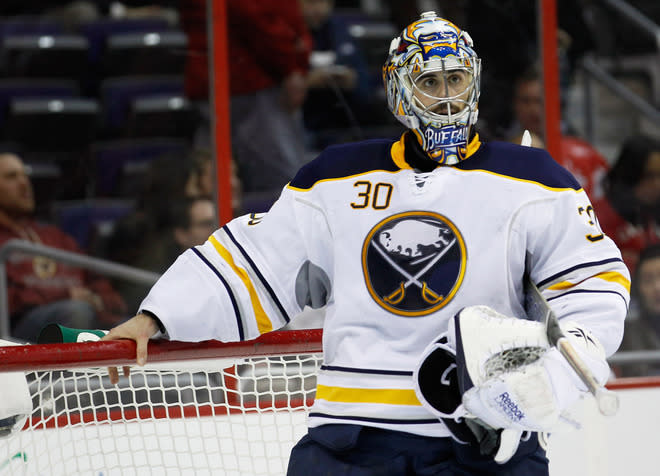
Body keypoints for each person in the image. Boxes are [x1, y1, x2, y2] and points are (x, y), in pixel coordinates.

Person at [102, 13, 630, 475]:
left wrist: (569, 360)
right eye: (429, 82)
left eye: (456, 79)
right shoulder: (335, 178)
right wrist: (156, 317)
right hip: (354, 441)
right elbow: (255, 260)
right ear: (400, 90)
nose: (446, 97)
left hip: (482, 439)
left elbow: (593, 282)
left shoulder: (534, 179)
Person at [0, 152, 127, 342]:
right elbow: (10, 302)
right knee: (76, 311)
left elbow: (98, 282)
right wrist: (65, 295)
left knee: (133, 326)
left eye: (25, 176)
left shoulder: (55, 236)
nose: (24, 183)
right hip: (21, 327)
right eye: (11, 177)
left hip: (84, 312)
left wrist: (98, 299)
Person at [506, 66, 610, 201]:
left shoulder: (583, 153)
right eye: (526, 101)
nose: (532, 109)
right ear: (515, 104)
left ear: (553, 103)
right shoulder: (501, 151)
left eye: (539, 101)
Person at [591, 134, 660, 274]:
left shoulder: (649, 210)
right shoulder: (596, 218)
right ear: (630, 175)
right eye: (649, 176)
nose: (657, 184)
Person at [616, 244, 660, 377]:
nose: (657, 287)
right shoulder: (629, 332)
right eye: (648, 280)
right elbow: (639, 374)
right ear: (638, 288)